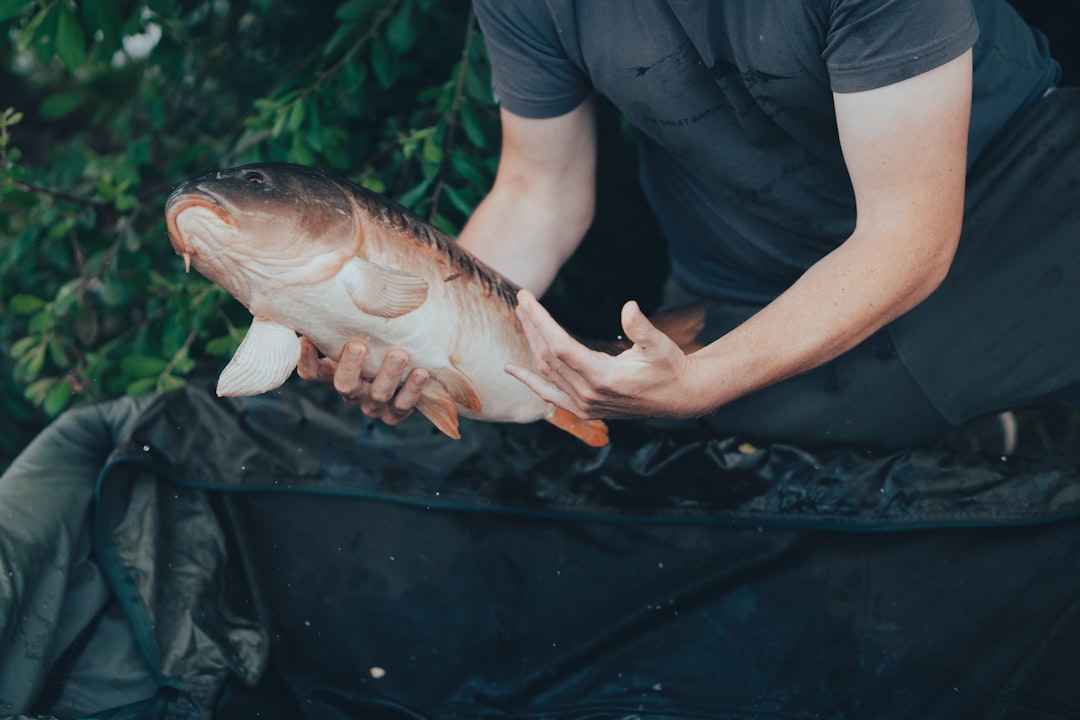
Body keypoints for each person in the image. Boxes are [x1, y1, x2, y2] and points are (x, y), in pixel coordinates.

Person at [300, 0, 1080, 452]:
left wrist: (705, 379)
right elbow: (540, 192)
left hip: (1006, 206)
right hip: (742, 256)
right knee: (728, 474)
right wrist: (420, 339)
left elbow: (908, 234)